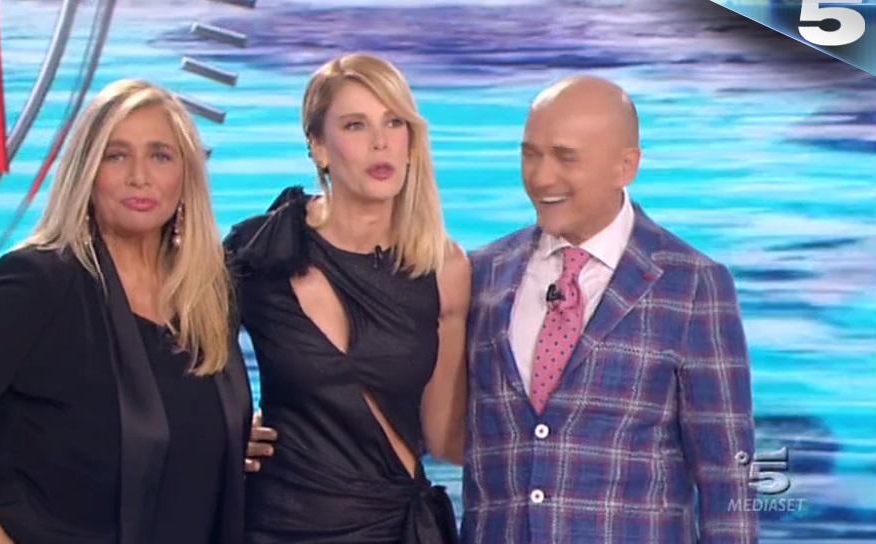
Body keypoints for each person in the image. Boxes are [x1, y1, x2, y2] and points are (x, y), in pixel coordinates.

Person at [0, 79, 252, 544]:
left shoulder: (207, 291)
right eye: (116, 155)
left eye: (160, 156)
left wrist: (227, 432)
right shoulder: (39, 284)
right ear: (86, 171)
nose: (140, 176)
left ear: (186, 176)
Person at [461, 75, 759, 543]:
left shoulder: (693, 284)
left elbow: (728, 476)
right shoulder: (479, 275)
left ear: (626, 166)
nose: (540, 177)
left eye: (565, 157)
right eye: (530, 154)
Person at [225, 52, 470, 543]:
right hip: (279, 523)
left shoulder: (443, 267)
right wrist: (223, 432)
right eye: (356, 125)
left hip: (392, 525)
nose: (381, 141)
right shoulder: (258, 253)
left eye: (394, 122)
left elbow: (445, 436)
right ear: (318, 147)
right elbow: (179, 365)